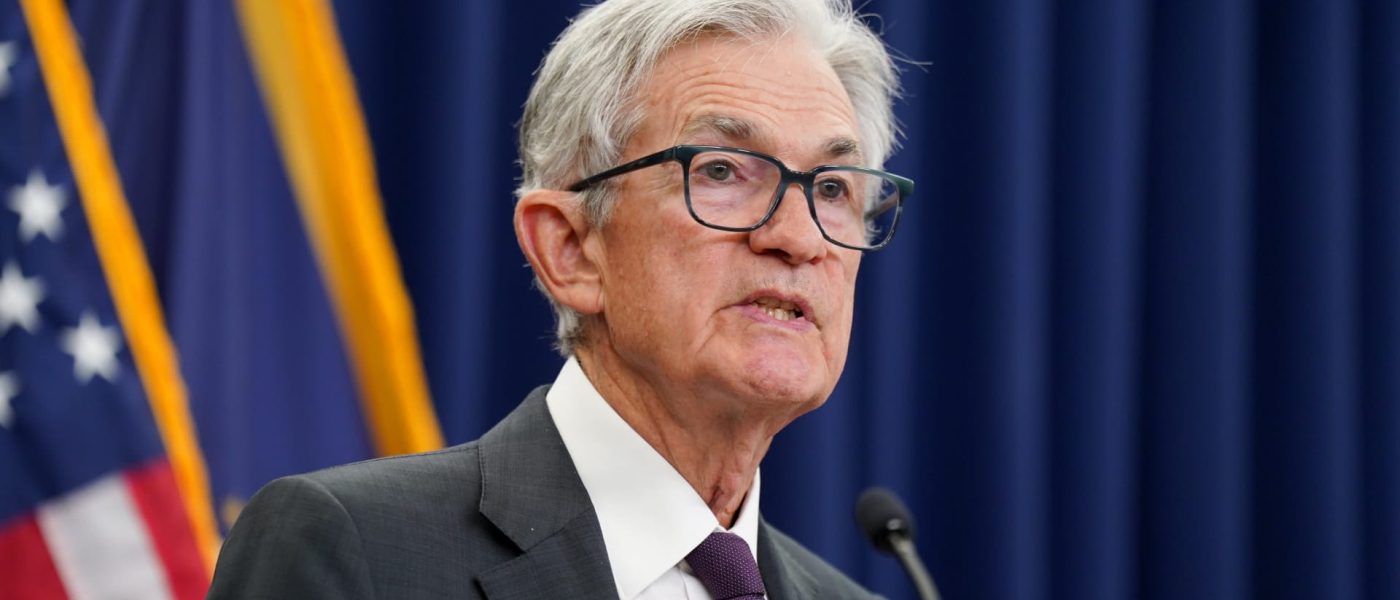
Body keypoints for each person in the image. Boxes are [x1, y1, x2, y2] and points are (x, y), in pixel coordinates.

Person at [207, 0, 910, 597]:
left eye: (832, 188)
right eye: (722, 171)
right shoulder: (357, 552)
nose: (798, 237)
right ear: (569, 249)